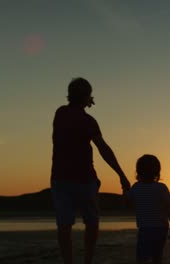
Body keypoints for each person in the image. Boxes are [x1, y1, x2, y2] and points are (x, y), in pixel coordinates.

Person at [50, 77, 131, 264]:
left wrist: (85, 101)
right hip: (84, 179)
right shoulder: (88, 121)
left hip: (61, 178)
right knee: (92, 222)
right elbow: (103, 148)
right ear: (86, 96)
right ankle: (88, 260)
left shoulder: (60, 113)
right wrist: (121, 174)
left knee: (64, 225)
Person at [126, 154, 170, 264]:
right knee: (157, 257)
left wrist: (125, 189)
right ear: (157, 171)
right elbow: (169, 207)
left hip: (145, 229)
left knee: (142, 258)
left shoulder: (136, 187)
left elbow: (127, 202)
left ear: (138, 171)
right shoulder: (162, 188)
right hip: (161, 229)